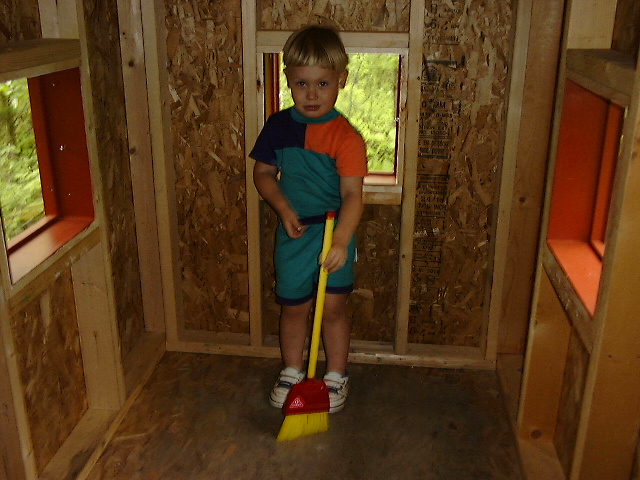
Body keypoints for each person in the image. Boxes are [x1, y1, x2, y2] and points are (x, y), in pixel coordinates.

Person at [250, 25, 367, 413]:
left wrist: (341, 241)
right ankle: (291, 371)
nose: (312, 94)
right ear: (287, 79)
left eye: (323, 83)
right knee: (294, 308)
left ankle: (335, 375)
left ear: (341, 80)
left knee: (333, 309)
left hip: (335, 231)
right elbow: (263, 173)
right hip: (295, 233)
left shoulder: (346, 137)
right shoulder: (278, 127)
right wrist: (284, 210)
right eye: (302, 83)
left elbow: (353, 195)